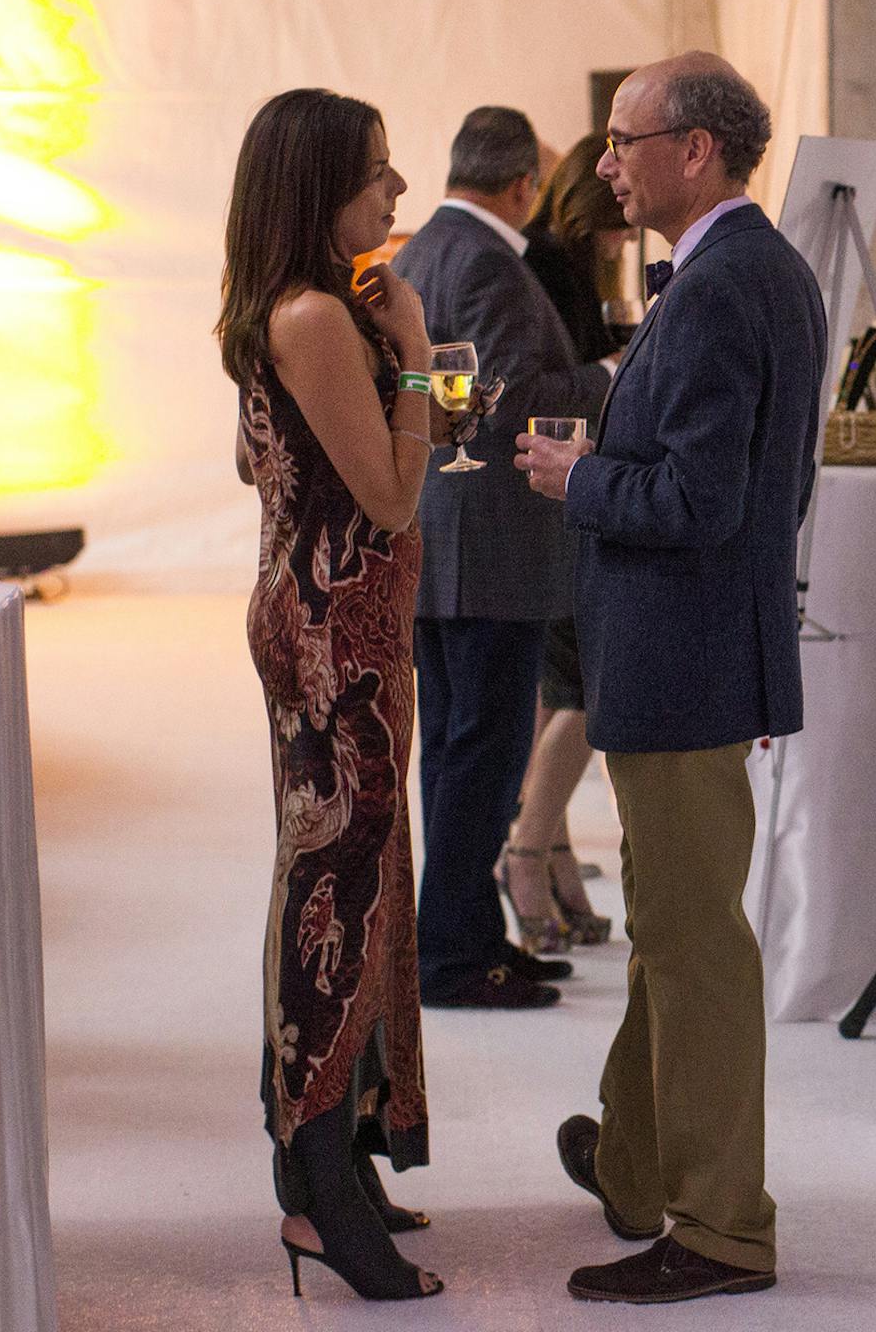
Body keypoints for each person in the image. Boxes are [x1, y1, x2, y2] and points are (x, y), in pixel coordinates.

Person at [515, 51, 824, 1304]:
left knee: (696, 948)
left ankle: (718, 1227)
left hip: (681, 658)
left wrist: (575, 480)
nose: (604, 162)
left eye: (623, 138)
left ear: (695, 148)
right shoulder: (754, 270)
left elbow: (702, 500)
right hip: (694, 654)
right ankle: (640, 1162)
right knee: (671, 930)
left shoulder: (715, 289)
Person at [219, 87, 444, 1300]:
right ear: (318, 190)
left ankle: (330, 1158)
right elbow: (398, 496)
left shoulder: (291, 309)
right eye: (377, 174)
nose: (397, 193)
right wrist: (415, 361)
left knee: (347, 873)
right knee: (338, 886)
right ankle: (316, 1174)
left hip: (328, 620)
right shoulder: (315, 316)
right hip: (336, 639)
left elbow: (262, 460)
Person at [392, 107, 612, 1004]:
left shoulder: (416, 254)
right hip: (490, 546)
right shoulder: (491, 261)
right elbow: (512, 398)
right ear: (523, 184)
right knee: (480, 757)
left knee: (453, 753)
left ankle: (465, 936)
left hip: (437, 537)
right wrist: (607, 374)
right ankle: (450, 954)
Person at [500, 134, 638, 949]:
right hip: (560, 492)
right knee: (585, 690)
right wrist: (615, 367)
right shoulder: (553, 264)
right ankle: (525, 851)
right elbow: (559, 378)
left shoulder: (565, 261)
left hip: (562, 489)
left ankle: (548, 854)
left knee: (564, 690)